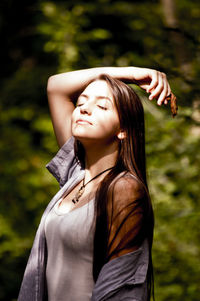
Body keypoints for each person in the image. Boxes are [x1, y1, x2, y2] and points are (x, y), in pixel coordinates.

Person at [18, 66, 173, 301]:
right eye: (81, 102)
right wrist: (131, 73)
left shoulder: (124, 189)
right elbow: (56, 86)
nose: (84, 109)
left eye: (101, 106)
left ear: (123, 130)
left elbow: (119, 289)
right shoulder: (75, 175)